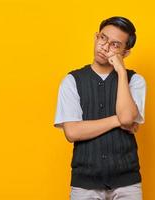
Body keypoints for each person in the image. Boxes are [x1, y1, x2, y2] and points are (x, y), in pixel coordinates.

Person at [54, 16, 146, 200]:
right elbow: (72, 132)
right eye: (102, 38)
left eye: (115, 45)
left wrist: (121, 71)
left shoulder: (135, 80)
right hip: (85, 183)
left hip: (127, 182)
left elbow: (127, 118)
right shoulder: (72, 81)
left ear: (125, 53)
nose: (104, 47)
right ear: (96, 37)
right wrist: (116, 120)